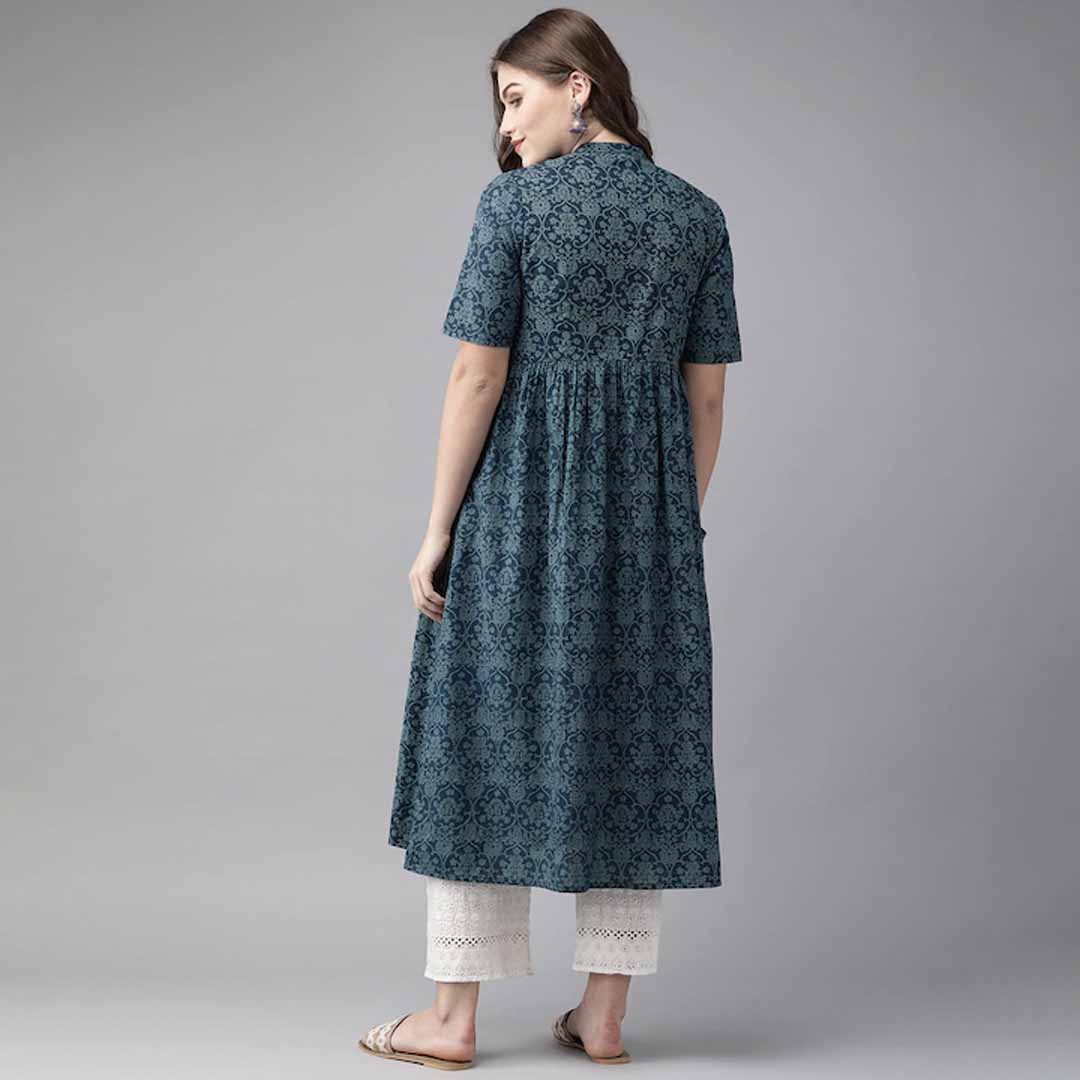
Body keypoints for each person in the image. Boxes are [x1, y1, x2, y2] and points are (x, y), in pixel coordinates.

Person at [360, 8, 743, 1070]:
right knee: (632, 741)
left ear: (580, 86)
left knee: (478, 734)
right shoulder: (698, 216)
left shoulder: (516, 206)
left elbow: (476, 373)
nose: (506, 127)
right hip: (649, 524)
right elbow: (707, 398)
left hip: (520, 506)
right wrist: (672, 520)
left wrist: (438, 527)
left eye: (514, 97)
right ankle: (604, 1014)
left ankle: (453, 1019)